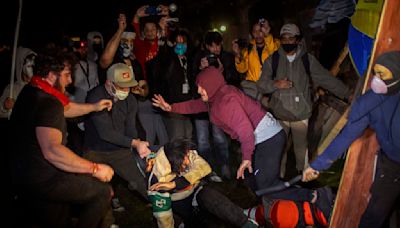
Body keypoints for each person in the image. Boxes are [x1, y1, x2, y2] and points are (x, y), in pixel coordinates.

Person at [9, 51, 114, 228]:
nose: (70, 81)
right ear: (51, 75)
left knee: (57, 216)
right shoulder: (49, 103)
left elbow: (65, 108)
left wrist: (94, 107)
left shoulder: (33, 90)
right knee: (102, 192)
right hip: (43, 178)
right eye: (66, 75)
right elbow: (52, 151)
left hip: (23, 174)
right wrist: (94, 168)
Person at [303, 51, 400, 228]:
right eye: (375, 73)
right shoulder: (370, 103)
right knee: (375, 213)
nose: (376, 79)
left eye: (382, 74)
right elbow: (347, 134)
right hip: (391, 164)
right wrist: (317, 165)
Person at [152, 67, 285, 193]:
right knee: (254, 180)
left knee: (265, 184)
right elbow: (195, 105)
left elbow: (246, 131)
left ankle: (295, 201)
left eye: (201, 86)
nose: (198, 90)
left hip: (268, 138)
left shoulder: (227, 101)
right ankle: (267, 208)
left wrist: (246, 158)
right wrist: (171, 108)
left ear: (211, 85)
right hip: (260, 138)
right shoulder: (217, 96)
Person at [257, 23, 352, 177]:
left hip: (300, 115)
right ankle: (278, 180)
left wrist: (347, 93)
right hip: (279, 114)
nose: (287, 42)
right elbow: (261, 85)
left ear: (298, 40)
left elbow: (326, 79)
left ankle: (303, 178)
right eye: (284, 38)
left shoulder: (307, 60)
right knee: (279, 150)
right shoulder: (272, 60)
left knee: (301, 150)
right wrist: (275, 84)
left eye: (291, 38)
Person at [147, 139, 259, 228]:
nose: (189, 160)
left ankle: (247, 223)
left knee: (213, 198)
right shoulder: (157, 180)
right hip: (178, 208)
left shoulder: (181, 152)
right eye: (184, 161)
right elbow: (164, 218)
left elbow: (204, 167)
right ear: (174, 164)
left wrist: (176, 184)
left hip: (195, 194)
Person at [83, 62, 151, 199]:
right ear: (109, 83)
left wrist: (138, 146)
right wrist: (134, 143)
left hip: (120, 150)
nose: (126, 90)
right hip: (95, 151)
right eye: (122, 86)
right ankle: (106, 219)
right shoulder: (95, 97)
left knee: (143, 184)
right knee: (95, 191)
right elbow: (105, 133)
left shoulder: (130, 99)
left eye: (128, 86)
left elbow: (131, 127)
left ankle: (169, 215)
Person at [191, 31, 237, 180]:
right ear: (206, 46)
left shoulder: (227, 57)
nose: (216, 49)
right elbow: (192, 80)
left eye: (218, 45)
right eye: (212, 46)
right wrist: (200, 68)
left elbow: (234, 81)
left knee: (219, 138)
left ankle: (224, 168)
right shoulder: (198, 58)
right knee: (202, 140)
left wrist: (221, 73)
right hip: (201, 106)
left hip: (218, 106)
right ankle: (208, 171)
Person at [0, 46, 36, 118]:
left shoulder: (38, 86)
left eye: (33, 65)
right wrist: (5, 107)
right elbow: (1, 113)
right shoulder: (12, 88)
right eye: (29, 66)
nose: (32, 69)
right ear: (21, 65)